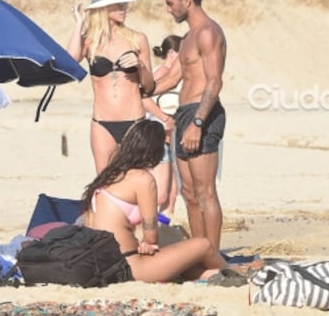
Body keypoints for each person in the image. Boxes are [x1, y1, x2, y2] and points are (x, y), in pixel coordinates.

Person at [80, 119, 251, 283]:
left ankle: (215, 273)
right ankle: (231, 273)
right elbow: (151, 236)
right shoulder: (142, 179)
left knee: (186, 263)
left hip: (98, 264)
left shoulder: (107, 177)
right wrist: (148, 242)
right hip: (128, 266)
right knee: (203, 245)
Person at [154, 0, 227, 250]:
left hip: (202, 114)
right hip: (185, 114)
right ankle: (199, 253)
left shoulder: (208, 32)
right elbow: (172, 79)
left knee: (205, 191)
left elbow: (214, 81)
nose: (168, 8)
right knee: (188, 193)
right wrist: (138, 90)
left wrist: (197, 122)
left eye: (171, 3)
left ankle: (214, 258)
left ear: (187, 0)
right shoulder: (187, 37)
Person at [66, 0, 155, 173]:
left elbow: (149, 87)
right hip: (102, 124)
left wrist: (139, 66)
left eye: (124, 3)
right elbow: (70, 62)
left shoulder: (138, 39)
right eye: (118, 4)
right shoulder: (89, 41)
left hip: (135, 122)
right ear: (103, 8)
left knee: (138, 182)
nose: (124, 7)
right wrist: (79, 24)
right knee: (103, 186)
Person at [143, 35, 183, 217]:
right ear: (173, 53)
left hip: (170, 138)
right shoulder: (163, 71)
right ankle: (141, 223)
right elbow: (143, 97)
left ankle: (164, 229)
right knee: (161, 195)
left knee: (173, 192)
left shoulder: (174, 73)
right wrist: (164, 118)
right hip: (157, 136)